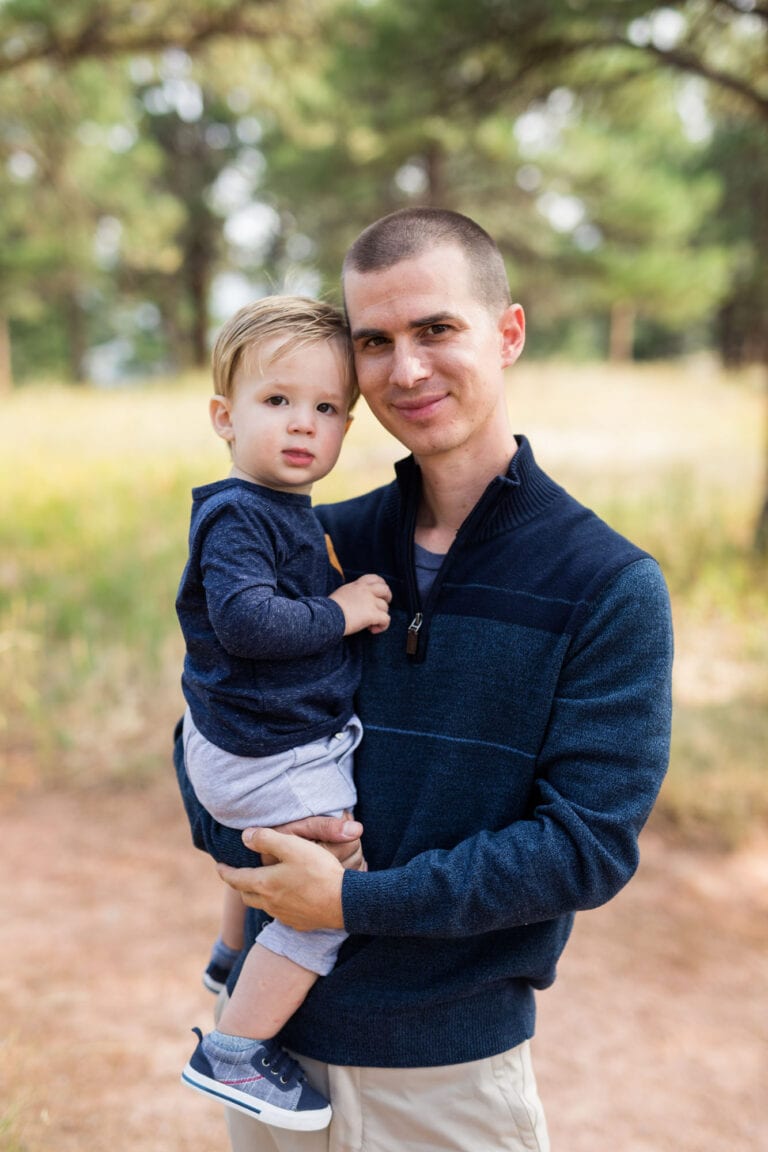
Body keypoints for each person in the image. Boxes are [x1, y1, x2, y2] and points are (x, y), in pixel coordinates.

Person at [174, 207, 674, 1152]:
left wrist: (350, 903)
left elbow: (586, 849)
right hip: (279, 1059)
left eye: (436, 329)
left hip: (449, 1080)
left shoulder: (606, 584)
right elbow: (208, 720)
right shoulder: (320, 537)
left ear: (509, 333)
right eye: (375, 341)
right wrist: (253, 839)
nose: (405, 369)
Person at [175, 296, 391, 1131]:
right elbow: (248, 621)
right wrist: (341, 611)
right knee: (335, 885)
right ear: (225, 419)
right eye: (277, 402)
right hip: (264, 751)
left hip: (244, 739)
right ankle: (235, 1047)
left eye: (327, 408)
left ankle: (232, 954)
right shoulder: (238, 514)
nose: (303, 425)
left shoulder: (275, 510)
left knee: (279, 853)